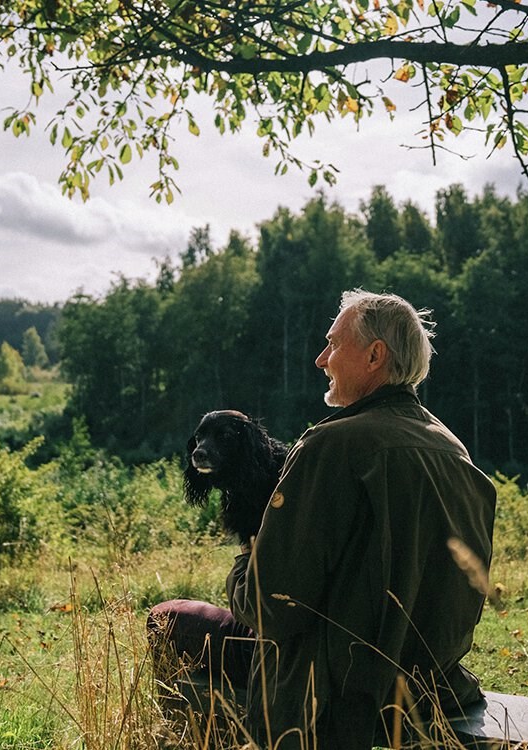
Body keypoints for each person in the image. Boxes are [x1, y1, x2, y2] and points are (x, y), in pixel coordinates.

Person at [148, 290, 496, 749]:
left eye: (333, 344)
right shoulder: (453, 449)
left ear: (375, 355)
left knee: (167, 618)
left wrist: (246, 560)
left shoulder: (329, 447)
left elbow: (270, 608)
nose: (319, 359)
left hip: (336, 690)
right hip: (434, 683)